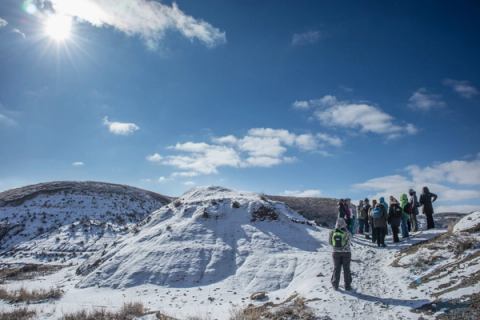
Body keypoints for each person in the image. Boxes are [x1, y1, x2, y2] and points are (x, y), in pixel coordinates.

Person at [329, 218, 352, 290]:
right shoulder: (347, 232)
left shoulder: (332, 232)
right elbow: (349, 241)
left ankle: (335, 285)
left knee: (336, 268)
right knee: (346, 269)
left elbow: (330, 242)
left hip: (335, 253)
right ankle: (347, 286)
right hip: (346, 253)